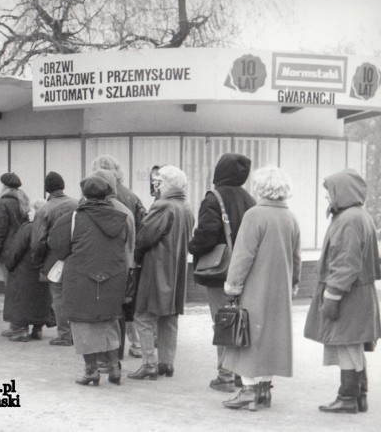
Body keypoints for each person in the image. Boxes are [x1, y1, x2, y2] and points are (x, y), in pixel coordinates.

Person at [221, 166, 301, 410]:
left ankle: (248, 391)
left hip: (256, 287)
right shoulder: (291, 217)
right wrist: (294, 284)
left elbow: (243, 255)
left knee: (248, 337)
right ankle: (265, 390)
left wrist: (232, 285)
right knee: (272, 338)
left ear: (260, 188)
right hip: (281, 289)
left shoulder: (255, 215)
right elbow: (296, 258)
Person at [304, 168, 381, 414]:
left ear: (343, 192)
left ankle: (347, 398)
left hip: (349, 295)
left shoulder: (348, 220)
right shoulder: (360, 215)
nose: (327, 198)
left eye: (330, 192)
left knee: (347, 344)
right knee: (353, 345)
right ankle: (359, 397)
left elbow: (346, 263)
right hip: (360, 293)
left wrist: (332, 295)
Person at [49, 175, 132, 386]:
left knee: (82, 323)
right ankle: (114, 367)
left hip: (80, 277)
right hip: (113, 276)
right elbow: (125, 246)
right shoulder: (120, 217)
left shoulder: (72, 218)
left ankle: (91, 371)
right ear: (107, 194)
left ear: (84, 194)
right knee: (109, 320)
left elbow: (57, 246)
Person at [188, 153, 256, 392]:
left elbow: (206, 233)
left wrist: (192, 246)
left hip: (220, 271)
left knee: (223, 320)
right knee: (241, 320)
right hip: (246, 270)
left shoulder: (214, 198)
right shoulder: (250, 200)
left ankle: (225, 375)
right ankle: (239, 373)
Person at [128, 166, 194, 381]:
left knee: (143, 315)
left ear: (168, 184)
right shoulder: (186, 207)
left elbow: (145, 236)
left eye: (159, 181)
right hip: (177, 270)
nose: (156, 185)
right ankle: (167, 363)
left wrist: (135, 258)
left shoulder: (162, 206)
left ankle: (149, 364)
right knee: (169, 316)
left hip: (156, 268)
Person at [91, 156, 146, 358]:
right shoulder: (131, 195)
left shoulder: (104, 199)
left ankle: (112, 351)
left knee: (112, 307)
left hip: (109, 261)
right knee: (126, 304)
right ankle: (135, 343)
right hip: (128, 259)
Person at [30, 171, 79, 346]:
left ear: (47, 190)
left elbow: (38, 240)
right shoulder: (77, 204)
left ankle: (64, 335)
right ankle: (76, 333)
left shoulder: (45, 209)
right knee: (74, 296)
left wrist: (36, 261)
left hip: (54, 260)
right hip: (76, 258)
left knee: (58, 297)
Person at [0, 172, 31, 336]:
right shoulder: (23, 201)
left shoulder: (3, 203)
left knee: (11, 289)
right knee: (21, 287)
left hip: (7, 251)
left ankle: (16, 326)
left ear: (4, 186)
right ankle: (22, 324)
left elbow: (0, 230)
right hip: (22, 249)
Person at [1, 199, 52, 342]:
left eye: (31, 209)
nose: (29, 212)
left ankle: (20, 329)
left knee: (20, 298)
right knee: (40, 300)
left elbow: (15, 252)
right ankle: (38, 329)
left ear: (36, 211)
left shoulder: (28, 228)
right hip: (42, 273)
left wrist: (9, 265)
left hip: (24, 272)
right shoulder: (49, 228)